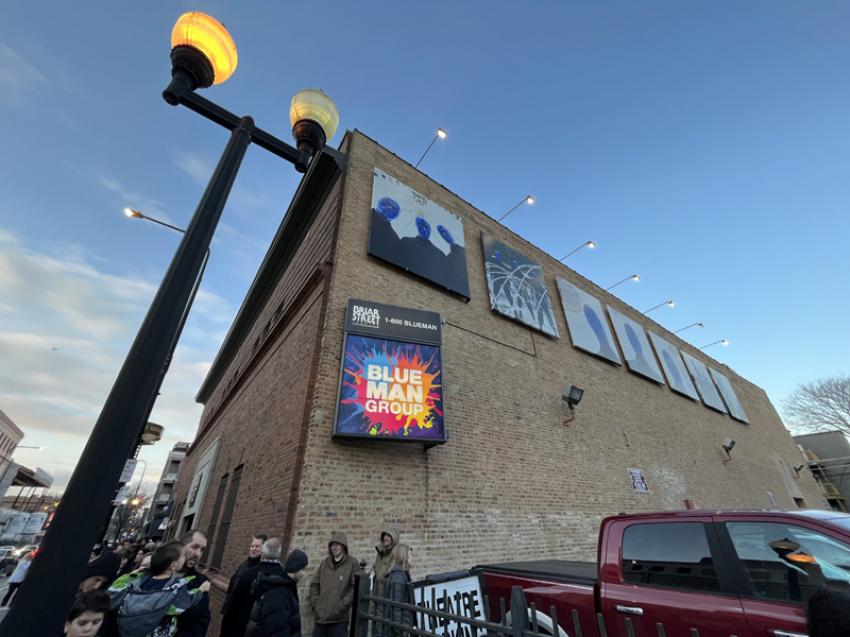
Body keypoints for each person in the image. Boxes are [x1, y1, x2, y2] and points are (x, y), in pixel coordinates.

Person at [108, 541, 210, 637]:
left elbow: (113, 592)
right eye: (183, 556)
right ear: (173, 565)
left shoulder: (141, 580)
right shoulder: (175, 588)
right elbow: (183, 605)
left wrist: (132, 575)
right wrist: (200, 590)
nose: (185, 558)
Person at [245, 541, 308, 637]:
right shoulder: (280, 593)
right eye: (303, 569)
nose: (304, 574)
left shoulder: (286, 587)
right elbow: (277, 630)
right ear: (296, 568)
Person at [308, 532, 359, 637]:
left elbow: (355, 588)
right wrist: (316, 604)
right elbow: (314, 584)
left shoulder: (352, 563)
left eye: (337, 544)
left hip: (338, 620)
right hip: (320, 619)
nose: (334, 547)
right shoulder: (325, 563)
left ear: (344, 546)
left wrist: (341, 606)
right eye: (332, 545)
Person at [219, 533, 268, 636]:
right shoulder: (243, 566)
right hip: (231, 616)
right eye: (252, 546)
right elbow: (231, 587)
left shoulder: (262, 571)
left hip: (244, 623)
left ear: (263, 549)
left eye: (257, 546)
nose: (253, 549)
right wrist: (226, 608)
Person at [173, 529, 211, 637]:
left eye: (202, 550)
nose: (198, 554)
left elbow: (202, 622)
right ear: (182, 546)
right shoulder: (159, 572)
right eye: (194, 547)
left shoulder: (201, 582)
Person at [375, 545, 413, 637]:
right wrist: (401, 630)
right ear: (403, 557)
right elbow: (396, 608)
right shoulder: (398, 577)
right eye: (409, 555)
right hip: (398, 630)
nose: (411, 558)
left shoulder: (401, 574)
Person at [371, 526, 400, 602]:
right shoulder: (380, 551)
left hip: (386, 595)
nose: (385, 538)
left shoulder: (396, 554)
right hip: (375, 591)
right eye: (384, 535)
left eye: (388, 536)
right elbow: (377, 571)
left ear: (394, 538)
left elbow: (388, 575)